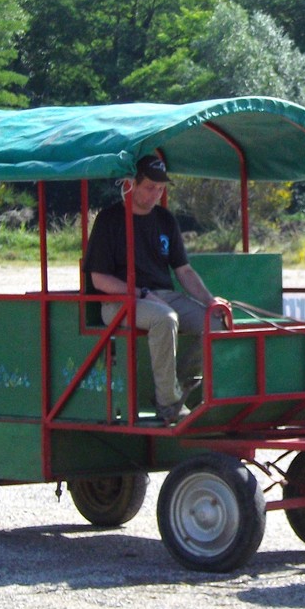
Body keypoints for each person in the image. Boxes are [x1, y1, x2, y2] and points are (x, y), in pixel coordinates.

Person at [84, 154, 229, 425]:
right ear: (130, 184)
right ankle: (168, 403)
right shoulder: (109, 220)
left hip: (162, 296)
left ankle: (177, 386)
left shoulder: (165, 219)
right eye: (150, 187)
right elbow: (99, 279)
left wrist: (210, 301)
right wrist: (139, 293)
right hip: (120, 301)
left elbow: (183, 271)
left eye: (161, 188)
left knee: (215, 323)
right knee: (164, 318)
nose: (156, 194)